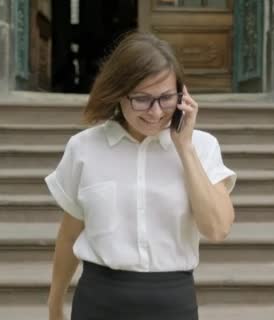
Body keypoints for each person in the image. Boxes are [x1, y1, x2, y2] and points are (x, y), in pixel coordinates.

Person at [45, 31, 237, 320]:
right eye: (142, 99)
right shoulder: (84, 148)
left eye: (166, 98)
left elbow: (217, 228)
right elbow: (69, 234)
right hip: (98, 303)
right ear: (118, 94)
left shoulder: (202, 147)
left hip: (173, 305)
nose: (156, 111)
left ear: (182, 95)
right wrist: (54, 303)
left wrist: (184, 148)